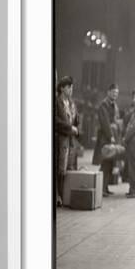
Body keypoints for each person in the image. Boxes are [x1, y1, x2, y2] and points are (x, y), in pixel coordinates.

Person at [55, 76, 80, 206]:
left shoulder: (71, 102)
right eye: (69, 87)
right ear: (62, 88)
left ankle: (65, 195)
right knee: (59, 168)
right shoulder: (56, 101)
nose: (71, 90)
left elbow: (77, 119)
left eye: (72, 87)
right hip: (60, 139)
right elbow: (56, 121)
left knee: (69, 167)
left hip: (71, 140)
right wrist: (70, 128)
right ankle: (57, 195)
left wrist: (76, 129)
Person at [92, 83, 120, 197]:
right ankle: (102, 188)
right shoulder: (103, 105)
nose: (115, 95)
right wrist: (111, 136)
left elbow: (115, 121)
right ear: (108, 92)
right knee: (105, 163)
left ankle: (105, 187)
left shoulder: (114, 105)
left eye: (117, 93)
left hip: (112, 137)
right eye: (113, 92)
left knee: (109, 163)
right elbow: (105, 123)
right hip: (105, 138)